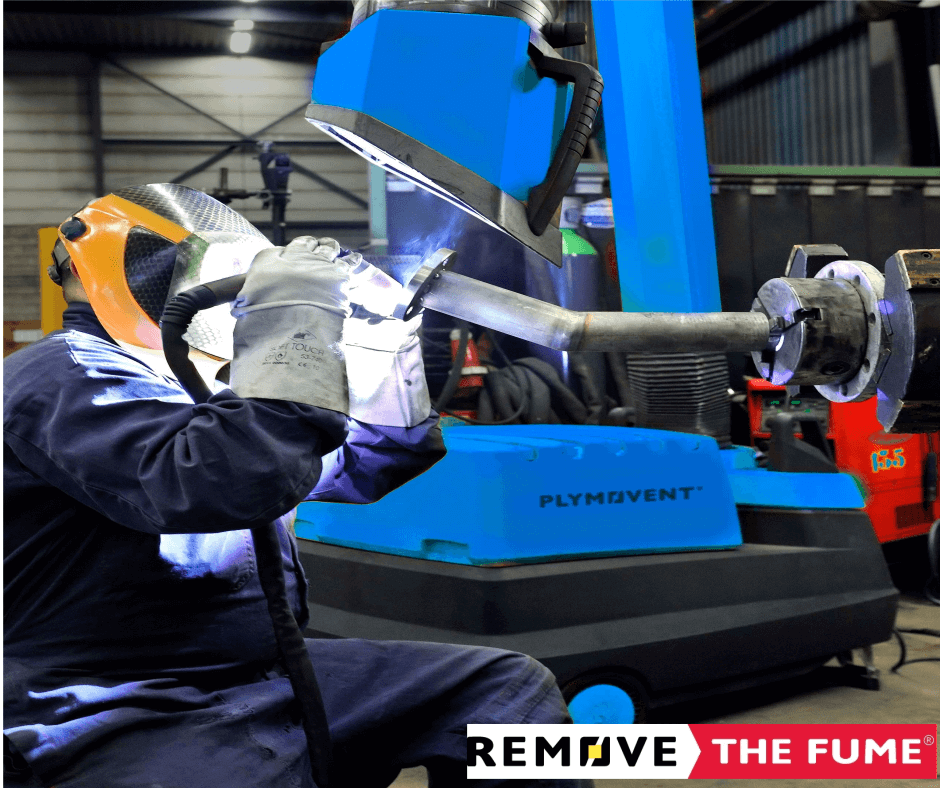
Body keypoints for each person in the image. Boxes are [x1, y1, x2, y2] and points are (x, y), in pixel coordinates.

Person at [3, 184, 588, 788]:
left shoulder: (190, 385)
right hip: (108, 701)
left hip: (257, 674)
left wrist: (376, 344)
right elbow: (223, 480)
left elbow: (370, 463)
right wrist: (289, 318)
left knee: (505, 695)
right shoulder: (59, 378)